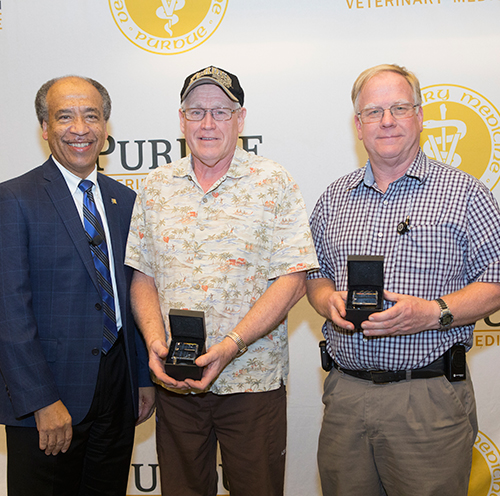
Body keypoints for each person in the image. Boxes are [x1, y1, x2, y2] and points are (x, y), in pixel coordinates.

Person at [306, 63, 500, 496]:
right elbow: (314, 273)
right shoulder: (332, 198)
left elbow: (497, 278)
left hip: (427, 400)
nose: (387, 121)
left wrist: (433, 313)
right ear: (358, 125)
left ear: (420, 115)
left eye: (399, 107)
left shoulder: (465, 194)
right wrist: (324, 301)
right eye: (373, 112)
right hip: (346, 396)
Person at [125, 65, 318, 496]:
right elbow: (142, 275)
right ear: (181, 120)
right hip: (177, 382)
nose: (207, 124)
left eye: (220, 112)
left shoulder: (274, 182)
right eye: (196, 112)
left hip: (252, 382)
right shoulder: (156, 187)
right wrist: (156, 343)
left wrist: (230, 345)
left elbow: (293, 278)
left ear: (241, 119)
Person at [0, 75, 155, 496]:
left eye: (91, 115)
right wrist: (40, 401)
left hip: (117, 390)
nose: (80, 128)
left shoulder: (124, 201)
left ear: (106, 126)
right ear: (45, 128)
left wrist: (141, 378)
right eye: (64, 116)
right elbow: (8, 311)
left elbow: (132, 292)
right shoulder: (14, 198)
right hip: (51, 398)